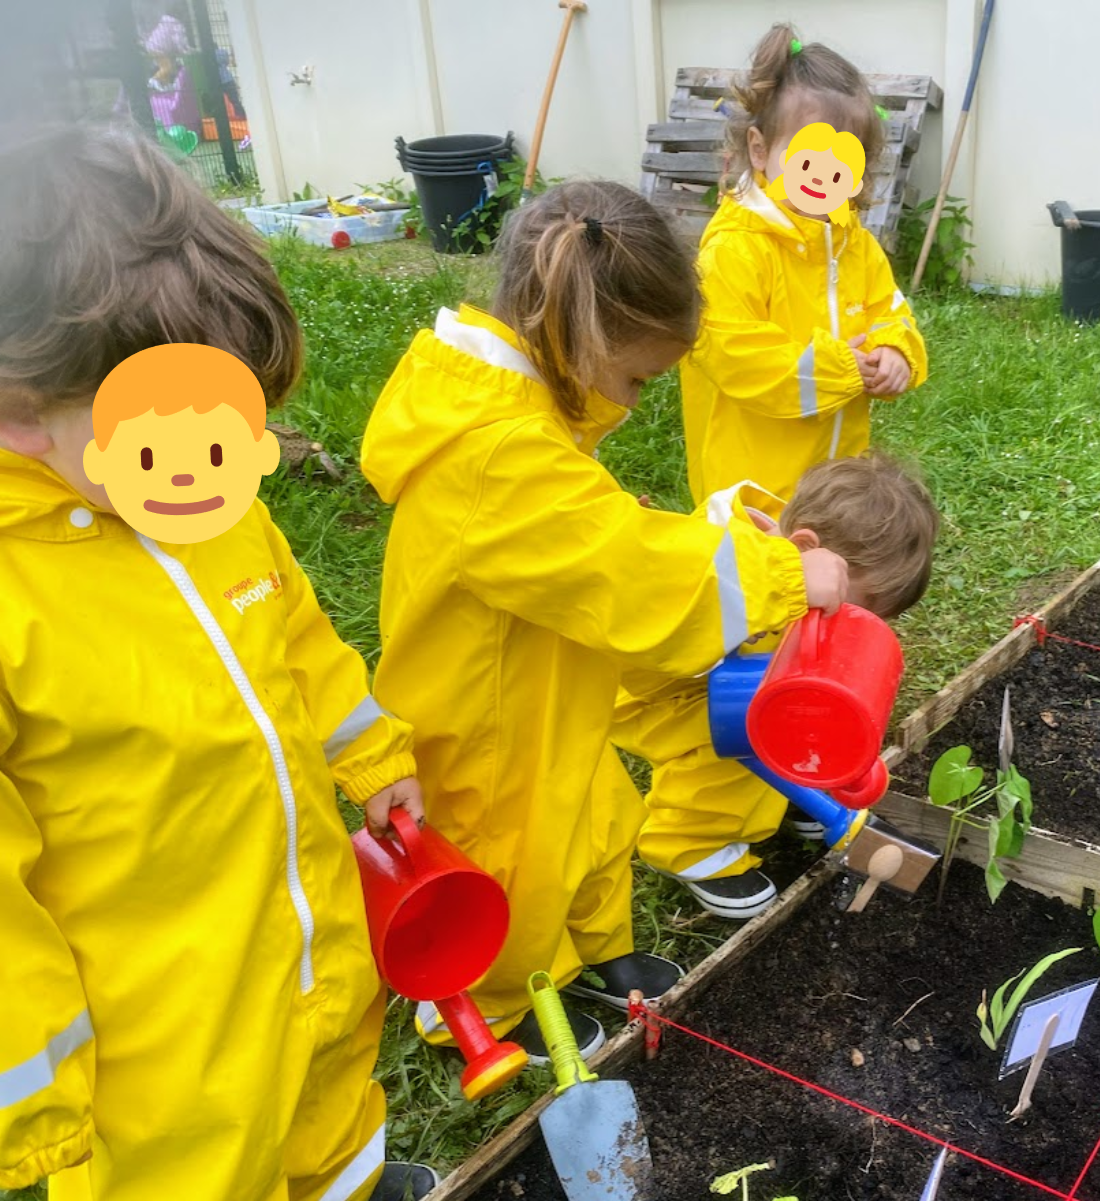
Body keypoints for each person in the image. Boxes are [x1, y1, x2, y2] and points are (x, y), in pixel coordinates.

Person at [0, 123, 435, 1201]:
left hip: (296, 929)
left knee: (329, 1099)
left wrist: (369, 754)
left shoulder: (196, 498)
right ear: (20, 412)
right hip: (156, 1046)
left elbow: (294, 633)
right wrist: (27, 1104)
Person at [362, 180, 851, 1060]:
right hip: (488, 722)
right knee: (512, 856)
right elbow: (622, 568)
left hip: (544, 688)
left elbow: (594, 532)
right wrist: (780, 575)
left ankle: (594, 947)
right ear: (581, 337)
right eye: (635, 378)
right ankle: (492, 997)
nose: (632, 402)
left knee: (590, 821)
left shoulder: (515, 414)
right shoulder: (498, 450)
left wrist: (721, 531)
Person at [613, 453, 939, 919]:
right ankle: (686, 845)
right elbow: (669, 642)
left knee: (784, 718)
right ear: (806, 549)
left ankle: (796, 789)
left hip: (738, 684)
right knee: (742, 735)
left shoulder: (795, 559)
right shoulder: (716, 566)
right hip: (662, 693)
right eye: (850, 606)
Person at [680, 24, 930, 515]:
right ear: (760, 150)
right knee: (756, 561)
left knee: (828, 546)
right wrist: (840, 368)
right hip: (751, 484)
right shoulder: (736, 249)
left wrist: (895, 349)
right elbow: (734, 354)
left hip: (836, 476)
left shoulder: (856, 245)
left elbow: (891, 310)